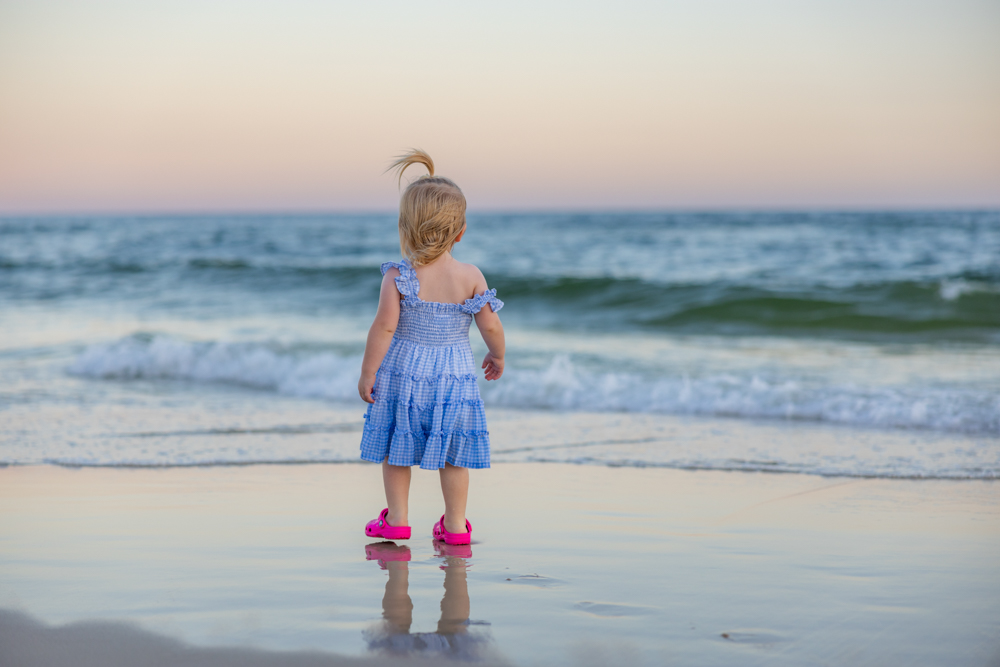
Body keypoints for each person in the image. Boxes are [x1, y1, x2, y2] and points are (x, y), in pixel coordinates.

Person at [358, 149, 505, 546]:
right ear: (461, 231)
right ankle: (455, 527)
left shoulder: (398, 275)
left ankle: (397, 519)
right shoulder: (470, 276)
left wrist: (368, 372)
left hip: (405, 373)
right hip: (454, 375)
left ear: (405, 228)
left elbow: (385, 326)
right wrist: (498, 355)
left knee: (397, 444)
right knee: (454, 452)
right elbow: (491, 324)